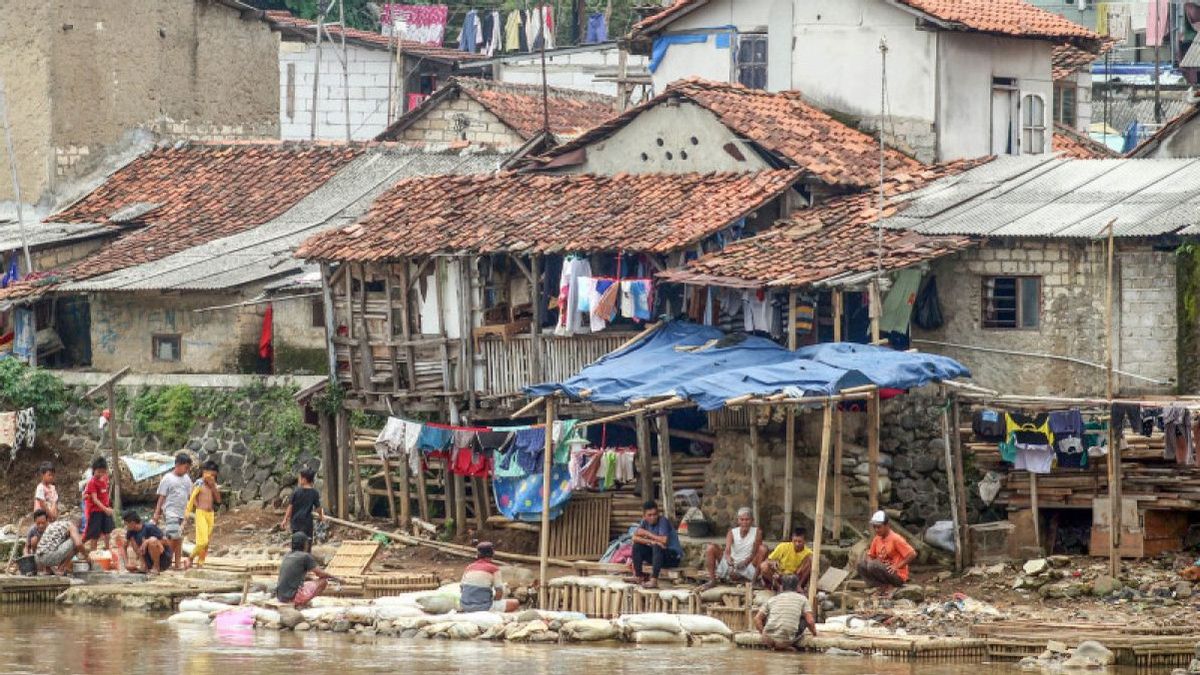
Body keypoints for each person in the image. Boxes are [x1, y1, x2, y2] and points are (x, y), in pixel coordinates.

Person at [702, 507, 767, 588]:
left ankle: (753, 581)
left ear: (752, 521)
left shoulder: (757, 532)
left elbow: (755, 552)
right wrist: (729, 560)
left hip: (748, 564)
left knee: (763, 549)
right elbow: (727, 550)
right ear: (738, 520)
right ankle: (712, 580)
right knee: (710, 548)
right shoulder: (732, 532)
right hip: (732, 564)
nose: (744, 522)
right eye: (742, 519)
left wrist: (745, 562)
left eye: (747, 519)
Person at [856, 511, 916, 597]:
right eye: (875, 527)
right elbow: (870, 555)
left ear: (887, 525)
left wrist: (897, 566)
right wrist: (869, 562)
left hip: (897, 575)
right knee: (861, 564)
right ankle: (880, 587)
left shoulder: (896, 539)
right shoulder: (877, 539)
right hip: (883, 571)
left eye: (879, 527)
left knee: (873, 565)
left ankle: (889, 587)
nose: (876, 530)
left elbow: (912, 554)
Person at [276, 532, 342, 608]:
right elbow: (321, 574)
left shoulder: (287, 555)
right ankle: (301, 603)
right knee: (323, 582)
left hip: (280, 596)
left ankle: (299, 600)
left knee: (309, 580)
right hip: (292, 597)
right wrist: (337, 579)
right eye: (307, 543)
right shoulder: (305, 556)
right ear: (304, 544)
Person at [754, 573, 817, 651]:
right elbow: (810, 621)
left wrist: (763, 634)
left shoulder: (772, 599)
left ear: (782, 587)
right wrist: (815, 634)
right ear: (797, 587)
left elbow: (757, 619)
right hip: (787, 640)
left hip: (768, 639)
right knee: (805, 618)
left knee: (766, 616)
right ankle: (783, 645)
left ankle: (776, 644)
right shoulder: (802, 599)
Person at [630, 500, 683, 589]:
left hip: (672, 558)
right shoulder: (644, 522)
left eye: (655, 514)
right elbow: (634, 538)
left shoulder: (663, 521)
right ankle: (638, 576)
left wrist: (647, 534)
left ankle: (654, 580)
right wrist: (651, 542)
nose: (653, 517)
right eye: (649, 515)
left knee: (657, 546)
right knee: (637, 546)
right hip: (658, 557)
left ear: (658, 513)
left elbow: (664, 540)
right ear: (644, 516)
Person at [154, 453, 194, 570]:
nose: (187, 470)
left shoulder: (187, 479)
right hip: (171, 512)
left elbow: (190, 495)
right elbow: (161, 497)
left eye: (188, 468)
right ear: (177, 464)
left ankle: (177, 564)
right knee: (173, 537)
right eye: (185, 467)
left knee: (179, 538)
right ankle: (166, 561)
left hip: (182, 512)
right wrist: (157, 513)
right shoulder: (167, 478)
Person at [460, 541, 519, 612]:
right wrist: (493, 600)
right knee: (515, 603)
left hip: (465, 606)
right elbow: (499, 593)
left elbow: (462, 589)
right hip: (484, 607)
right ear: (492, 553)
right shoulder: (494, 569)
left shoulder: (469, 567)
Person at [186, 461, 220, 567]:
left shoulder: (212, 485)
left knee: (207, 541)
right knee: (202, 541)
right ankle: (190, 557)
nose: (212, 477)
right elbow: (192, 497)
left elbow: (218, 500)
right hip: (201, 513)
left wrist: (213, 486)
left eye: (214, 475)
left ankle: (201, 562)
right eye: (211, 474)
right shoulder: (198, 483)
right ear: (204, 472)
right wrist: (197, 507)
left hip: (210, 514)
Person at [281, 467, 323, 551]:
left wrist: (285, 519)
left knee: (296, 542)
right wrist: (321, 516)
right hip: (307, 524)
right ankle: (306, 558)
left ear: (304, 480)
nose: (299, 480)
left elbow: (290, 507)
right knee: (307, 542)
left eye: (300, 478)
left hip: (296, 522)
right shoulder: (314, 493)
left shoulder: (296, 492)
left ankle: (295, 556)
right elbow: (318, 508)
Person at [762, 527, 814, 591]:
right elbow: (768, 560)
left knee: (811, 559)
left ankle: (798, 586)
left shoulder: (808, 552)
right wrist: (772, 562)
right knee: (764, 566)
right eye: (795, 541)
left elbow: (807, 568)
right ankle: (779, 587)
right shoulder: (783, 546)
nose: (797, 544)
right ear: (792, 539)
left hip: (795, 577)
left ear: (805, 541)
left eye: (799, 541)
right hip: (780, 575)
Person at [82, 456, 115, 555]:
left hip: (105, 509)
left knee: (108, 531)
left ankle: (108, 550)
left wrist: (108, 506)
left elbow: (105, 495)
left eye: (102, 471)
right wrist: (105, 509)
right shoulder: (92, 482)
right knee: (94, 534)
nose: (100, 474)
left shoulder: (104, 479)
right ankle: (93, 553)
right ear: (94, 470)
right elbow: (95, 500)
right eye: (98, 471)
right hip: (96, 511)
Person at [122, 511, 172, 575]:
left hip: (163, 560)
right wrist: (126, 564)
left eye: (126, 524)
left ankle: (156, 567)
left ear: (132, 523)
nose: (125, 526)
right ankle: (144, 565)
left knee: (152, 540)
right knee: (132, 539)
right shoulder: (131, 532)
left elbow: (166, 542)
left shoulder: (150, 527)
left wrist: (147, 541)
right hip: (148, 560)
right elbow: (124, 546)